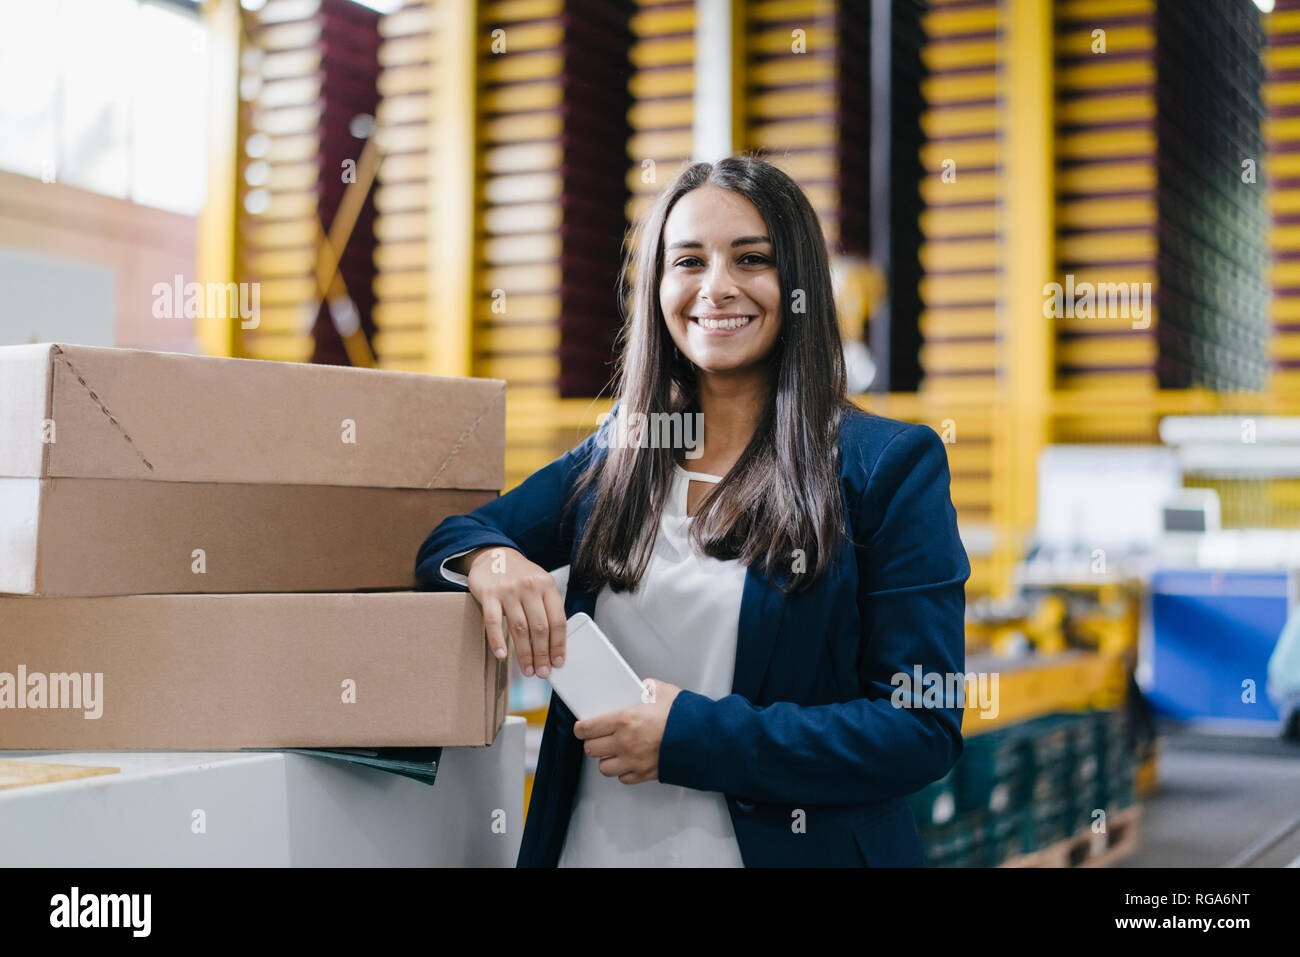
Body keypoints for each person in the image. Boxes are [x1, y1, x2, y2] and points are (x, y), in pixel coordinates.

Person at [416, 154, 970, 867]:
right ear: (657, 287)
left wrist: (693, 737)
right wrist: (491, 560)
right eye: (688, 261)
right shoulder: (626, 451)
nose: (717, 287)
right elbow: (452, 538)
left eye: (751, 258)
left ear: (798, 281)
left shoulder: (885, 467)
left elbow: (922, 726)